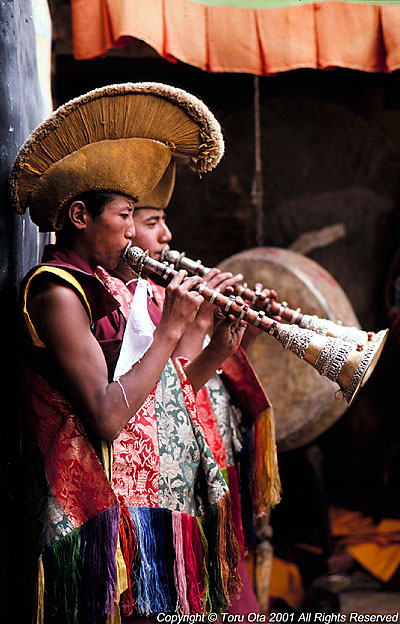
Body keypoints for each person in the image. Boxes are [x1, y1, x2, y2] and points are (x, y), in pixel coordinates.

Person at [11, 82, 247, 624]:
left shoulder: (106, 284)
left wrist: (220, 341)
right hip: (87, 511)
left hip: (134, 503)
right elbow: (109, 415)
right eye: (125, 215)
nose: (133, 234)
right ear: (79, 216)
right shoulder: (56, 290)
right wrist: (170, 329)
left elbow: (164, 393)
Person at [114, 161, 282, 615]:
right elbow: (165, 396)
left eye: (147, 220)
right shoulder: (129, 299)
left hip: (206, 459)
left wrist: (238, 336)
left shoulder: (157, 294)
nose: (165, 235)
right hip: (165, 482)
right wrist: (198, 322)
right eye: (150, 221)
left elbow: (201, 376)